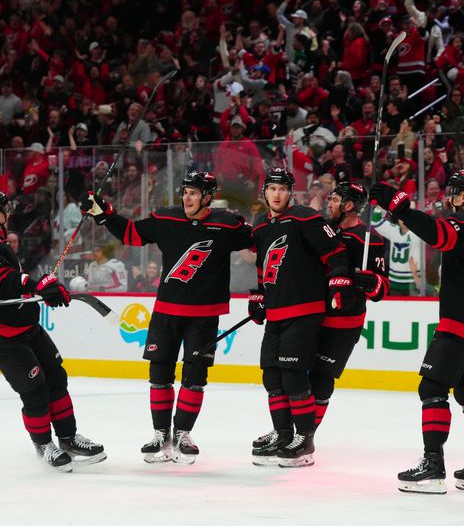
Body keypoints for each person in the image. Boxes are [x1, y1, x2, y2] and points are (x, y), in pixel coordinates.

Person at [80, 172, 252, 464]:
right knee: (159, 376)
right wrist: (104, 214)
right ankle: (161, 432)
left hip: (204, 316)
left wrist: (264, 290)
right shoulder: (166, 219)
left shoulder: (227, 224)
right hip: (166, 312)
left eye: (194, 193)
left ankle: (183, 432)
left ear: (208, 197)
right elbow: (132, 234)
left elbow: (261, 243)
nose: (187, 198)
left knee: (195, 377)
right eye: (185, 192)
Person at [370, 169, 464, 493]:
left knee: (431, 387)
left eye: (453, 193)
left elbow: (439, 235)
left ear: (462, 197)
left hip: (463, 319)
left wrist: (401, 209)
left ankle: (433, 466)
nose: (449, 198)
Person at [0, 188, 105, 473]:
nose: (9, 213)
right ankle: (43, 445)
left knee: (56, 379)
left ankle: (68, 438)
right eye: (4, 208)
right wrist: (35, 283)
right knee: (35, 389)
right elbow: (4, 283)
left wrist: (41, 286)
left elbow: (13, 281)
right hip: (1, 336)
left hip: (25, 326)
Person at [249, 167, 349, 468]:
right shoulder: (261, 228)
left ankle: (304, 439)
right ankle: (282, 434)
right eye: (272, 189)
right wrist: (259, 296)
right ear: (264, 192)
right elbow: (264, 267)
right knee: (272, 375)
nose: (277, 194)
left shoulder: (305, 217)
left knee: (293, 376)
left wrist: (339, 279)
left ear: (290, 192)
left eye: (282, 189)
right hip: (277, 312)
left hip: (304, 310)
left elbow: (337, 251)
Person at [308, 182, 388, 435]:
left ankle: (306, 434)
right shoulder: (321, 231)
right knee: (293, 376)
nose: (328, 204)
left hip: (343, 322)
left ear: (349, 205)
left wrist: (371, 282)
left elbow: (383, 287)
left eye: (333, 200)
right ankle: (286, 429)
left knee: (321, 380)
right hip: (310, 315)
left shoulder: (370, 240)